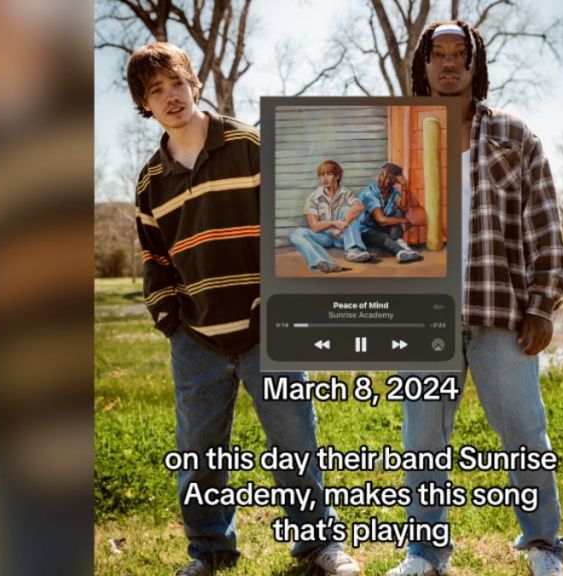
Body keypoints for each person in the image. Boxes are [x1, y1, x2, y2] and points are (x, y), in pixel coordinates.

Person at [128, 42, 361, 576]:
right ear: (145, 104)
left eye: (176, 84)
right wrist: (170, 320)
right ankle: (210, 551)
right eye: (155, 92)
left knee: (295, 438)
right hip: (197, 339)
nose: (170, 98)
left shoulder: (249, 145)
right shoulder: (150, 182)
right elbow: (155, 259)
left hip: (264, 329)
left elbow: (287, 233)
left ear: (194, 85)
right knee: (200, 451)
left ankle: (318, 546)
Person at [387, 21, 563, 576]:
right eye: (437, 55)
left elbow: (545, 226)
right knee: (422, 439)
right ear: (422, 65)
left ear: (474, 65)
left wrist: (541, 305)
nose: (448, 64)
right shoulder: (400, 140)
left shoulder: (514, 136)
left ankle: (544, 544)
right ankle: (425, 553)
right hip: (424, 318)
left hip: (498, 314)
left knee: (523, 432)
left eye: (458, 55)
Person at [288, 160, 371, 273]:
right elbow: (314, 226)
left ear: (337, 176)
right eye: (322, 175)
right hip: (325, 237)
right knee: (297, 234)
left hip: (343, 236)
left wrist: (342, 224)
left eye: (329, 174)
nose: (324, 178)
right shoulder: (313, 198)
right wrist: (334, 223)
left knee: (347, 209)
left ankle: (353, 250)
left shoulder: (346, 193)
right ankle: (321, 261)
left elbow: (359, 207)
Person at [357, 162, 424, 263]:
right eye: (381, 174)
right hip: (365, 231)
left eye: (388, 177)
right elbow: (381, 220)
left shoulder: (393, 192)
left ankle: (397, 240)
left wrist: (404, 185)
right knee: (383, 236)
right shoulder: (369, 193)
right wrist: (403, 220)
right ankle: (401, 252)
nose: (382, 179)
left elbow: (403, 207)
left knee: (398, 211)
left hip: (381, 228)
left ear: (394, 181)